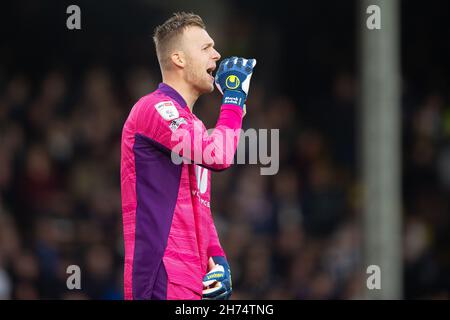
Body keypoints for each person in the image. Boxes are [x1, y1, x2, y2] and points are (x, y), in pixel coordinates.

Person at [120, 12, 256, 300]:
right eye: (206, 48)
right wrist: (233, 103)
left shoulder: (192, 125)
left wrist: (217, 257)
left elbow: (200, 206)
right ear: (179, 59)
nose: (217, 55)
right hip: (160, 275)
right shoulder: (153, 108)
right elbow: (217, 155)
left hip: (194, 278)